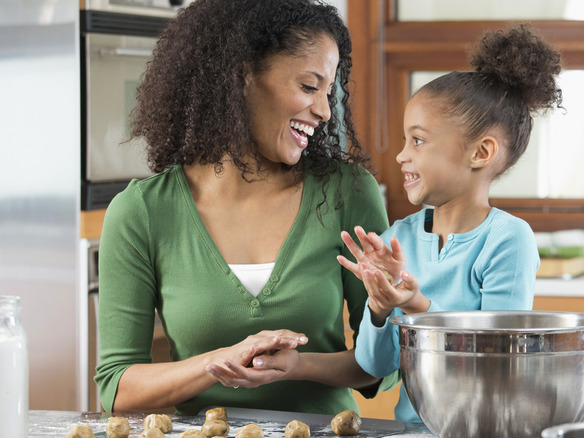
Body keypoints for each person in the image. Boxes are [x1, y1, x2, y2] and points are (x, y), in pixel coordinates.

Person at [95, 0, 394, 416]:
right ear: (242, 77)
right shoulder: (141, 212)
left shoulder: (347, 193)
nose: (326, 111)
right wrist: (221, 362)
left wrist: (299, 366)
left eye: (329, 92)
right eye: (309, 87)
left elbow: (384, 366)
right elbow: (116, 386)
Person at [337, 24, 563, 423]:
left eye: (418, 140)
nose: (401, 156)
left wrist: (416, 306)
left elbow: (494, 361)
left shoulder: (507, 240)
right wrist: (378, 308)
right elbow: (376, 366)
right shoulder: (397, 240)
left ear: (481, 152)